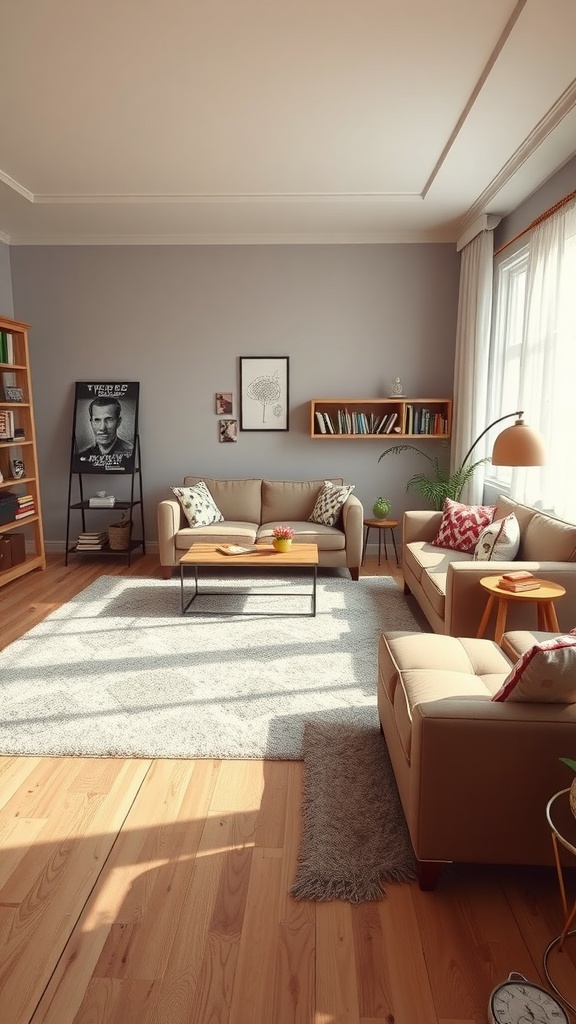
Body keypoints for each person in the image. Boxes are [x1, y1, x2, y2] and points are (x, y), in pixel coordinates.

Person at [79, 396, 134, 462]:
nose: (102, 428)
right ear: (91, 422)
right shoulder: (82, 455)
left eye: (109, 419)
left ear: (119, 422)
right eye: (97, 420)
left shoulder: (131, 452)